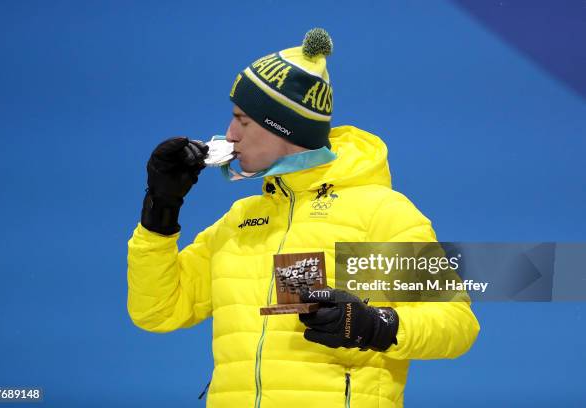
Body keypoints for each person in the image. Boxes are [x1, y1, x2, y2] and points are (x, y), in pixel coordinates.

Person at [127, 28, 479, 408]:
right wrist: (161, 210)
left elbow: (458, 325)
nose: (229, 133)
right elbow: (157, 311)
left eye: (242, 120)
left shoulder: (378, 213)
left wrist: (376, 326)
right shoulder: (243, 220)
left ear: (284, 127)